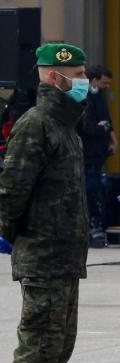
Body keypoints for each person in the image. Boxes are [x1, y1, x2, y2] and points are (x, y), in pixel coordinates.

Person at [0, 43, 92, 363]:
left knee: (58, 343)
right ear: (55, 77)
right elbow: (13, 188)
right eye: (79, 74)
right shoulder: (36, 124)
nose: (84, 82)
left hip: (64, 253)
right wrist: (16, 234)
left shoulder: (64, 123)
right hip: (43, 251)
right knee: (37, 344)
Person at [78, 64, 116, 247]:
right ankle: (93, 226)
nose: (106, 86)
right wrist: (102, 128)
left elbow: (106, 118)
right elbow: (88, 127)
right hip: (88, 153)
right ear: (93, 80)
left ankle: (96, 224)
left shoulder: (98, 97)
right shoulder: (84, 98)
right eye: (104, 83)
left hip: (97, 153)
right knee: (91, 189)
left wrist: (111, 137)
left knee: (96, 188)